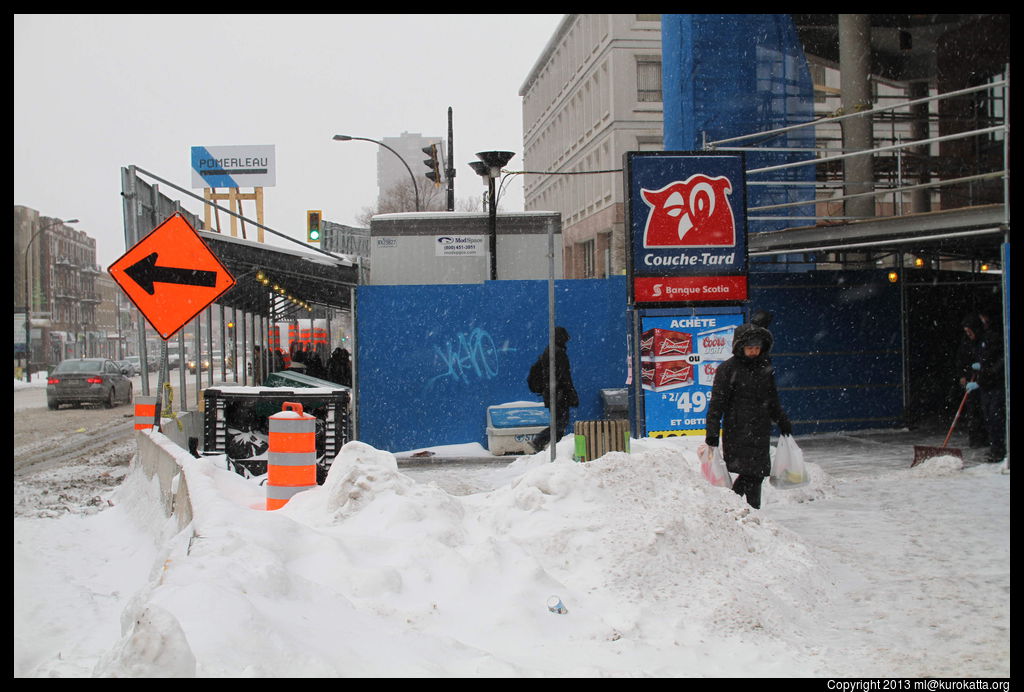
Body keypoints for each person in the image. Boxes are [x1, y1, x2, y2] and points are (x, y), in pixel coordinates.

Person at [705, 320, 792, 509]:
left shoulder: (765, 368)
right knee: (750, 473)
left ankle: (745, 509)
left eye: (757, 348)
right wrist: (711, 430)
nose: (754, 351)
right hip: (738, 430)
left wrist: (782, 420)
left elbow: (772, 399)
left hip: (760, 429)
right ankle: (741, 507)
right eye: (750, 348)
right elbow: (717, 403)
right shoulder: (728, 369)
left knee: (757, 474)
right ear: (740, 347)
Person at [529, 326, 579, 452]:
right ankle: (541, 442)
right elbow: (564, 376)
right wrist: (571, 393)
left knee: (558, 423)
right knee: (560, 424)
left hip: (551, 392)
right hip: (559, 394)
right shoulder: (559, 353)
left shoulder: (549, 351)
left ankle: (550, 446)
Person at [967, 310, 1006, 463]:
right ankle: (995, 448)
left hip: (995, 385)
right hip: (986, 386)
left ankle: (998, 450)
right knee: (989, 417)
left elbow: (995, 365)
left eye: (969, 331)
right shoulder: (977, 342)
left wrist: (981, 379)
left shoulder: (991, 339)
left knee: (995, 417)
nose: (968, 334)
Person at [957, 313, 988, 448]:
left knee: (985, 409)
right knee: (972, 409)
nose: (968, 334)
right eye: (966, 332)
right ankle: (975, 440)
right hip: (971, 377)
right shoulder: (965, 342)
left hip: (984, 378)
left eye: (969, 331)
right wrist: (962, 375)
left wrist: (982, 367)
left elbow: (990, 358)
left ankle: (986, 438)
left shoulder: (985, 340)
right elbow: (960, 358)